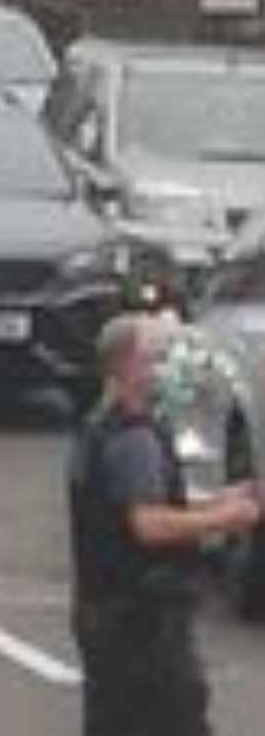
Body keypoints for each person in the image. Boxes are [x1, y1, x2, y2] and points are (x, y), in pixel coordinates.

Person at [69, 313, 261, 736]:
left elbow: (137, 505)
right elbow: (149, 525)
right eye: (159, 359)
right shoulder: (132, 439)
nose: (169, 371)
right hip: (140, 620)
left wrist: (217, 499)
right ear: (128, 366)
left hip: (109, 613)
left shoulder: (100, 428)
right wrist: (227, 518)